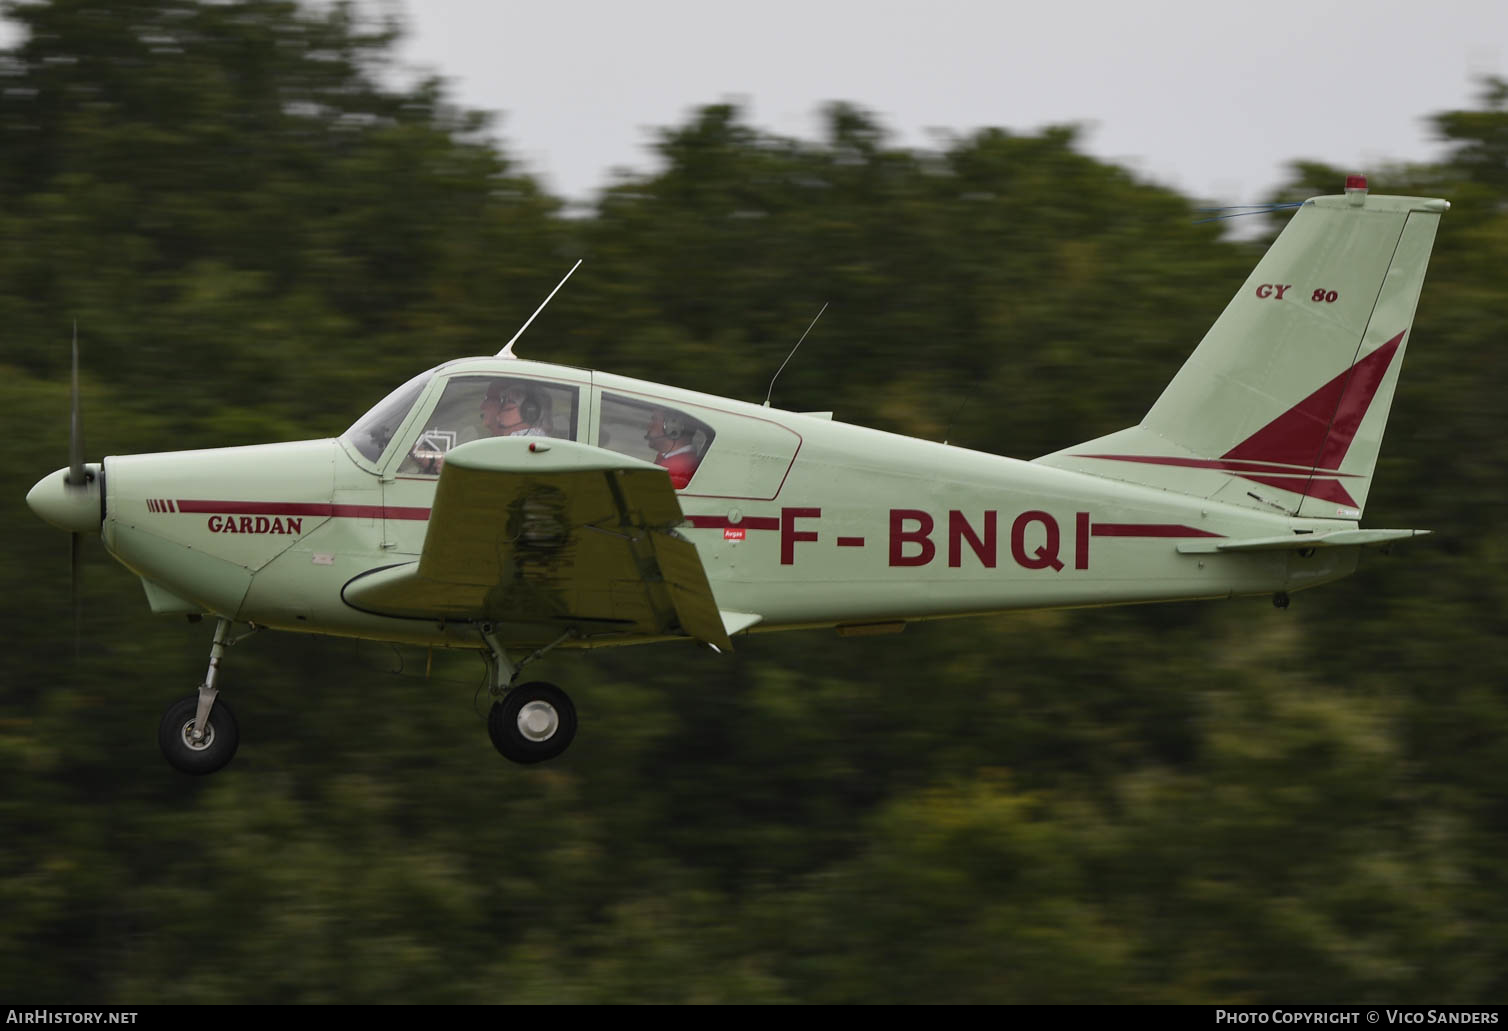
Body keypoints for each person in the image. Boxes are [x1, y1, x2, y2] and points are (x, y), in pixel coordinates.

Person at [646, 408, 701, 488]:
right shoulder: (671, 459)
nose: (648, 426)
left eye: (654, 420)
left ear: (673, 428)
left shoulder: (675, 469)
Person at [480, 380, 551, 438]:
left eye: (508, 402)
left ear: (530, 412)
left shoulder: (526, 441)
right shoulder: (515, 438)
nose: (500, 413)